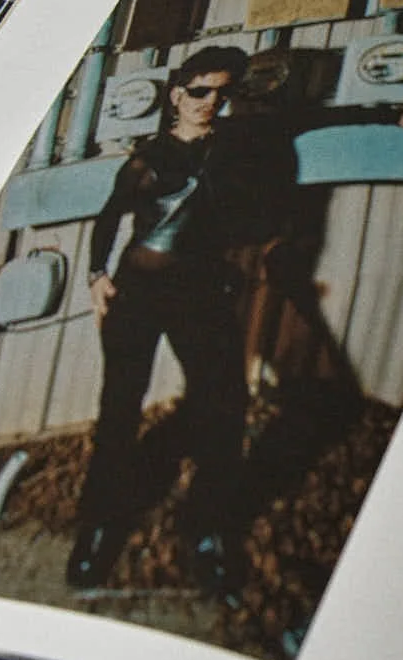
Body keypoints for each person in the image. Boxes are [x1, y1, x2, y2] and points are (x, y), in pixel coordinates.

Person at [67, 47, 265, 600]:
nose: (211, 103)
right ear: (177, 94)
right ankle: (99, 527)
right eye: (200, 91)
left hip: (198, 293)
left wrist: (395, 116)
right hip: (137, 293)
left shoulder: (235, 144)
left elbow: (312, 120)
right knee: (120, 407)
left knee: (223, 406)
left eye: (221, 93)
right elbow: (111, 217)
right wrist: (96, 273)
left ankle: (207, 533)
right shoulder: (147, 155)